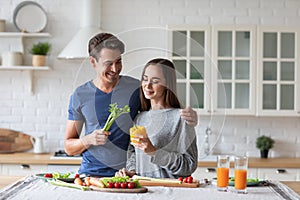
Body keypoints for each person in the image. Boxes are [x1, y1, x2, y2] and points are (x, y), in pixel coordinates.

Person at [64, 33, 198, 177]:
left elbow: (162, 109)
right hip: (92, 174)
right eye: (108, 63)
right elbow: (69, 147)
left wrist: (190, 117)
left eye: (118, 61)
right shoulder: (80, 95)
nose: (115, 69)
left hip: (129, 177)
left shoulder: (136, 88)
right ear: (93, 62)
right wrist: (88, 139)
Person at [116, 58, 198, 178]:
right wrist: (132, 172)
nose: (147, 85)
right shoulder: (140, 118)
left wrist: (154, 152)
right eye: (145, 79)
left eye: (155, 81)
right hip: (145, 192)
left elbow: (189, 165)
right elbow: (133, 153)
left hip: (171, 193)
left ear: (167, 85)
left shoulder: (181, 118)